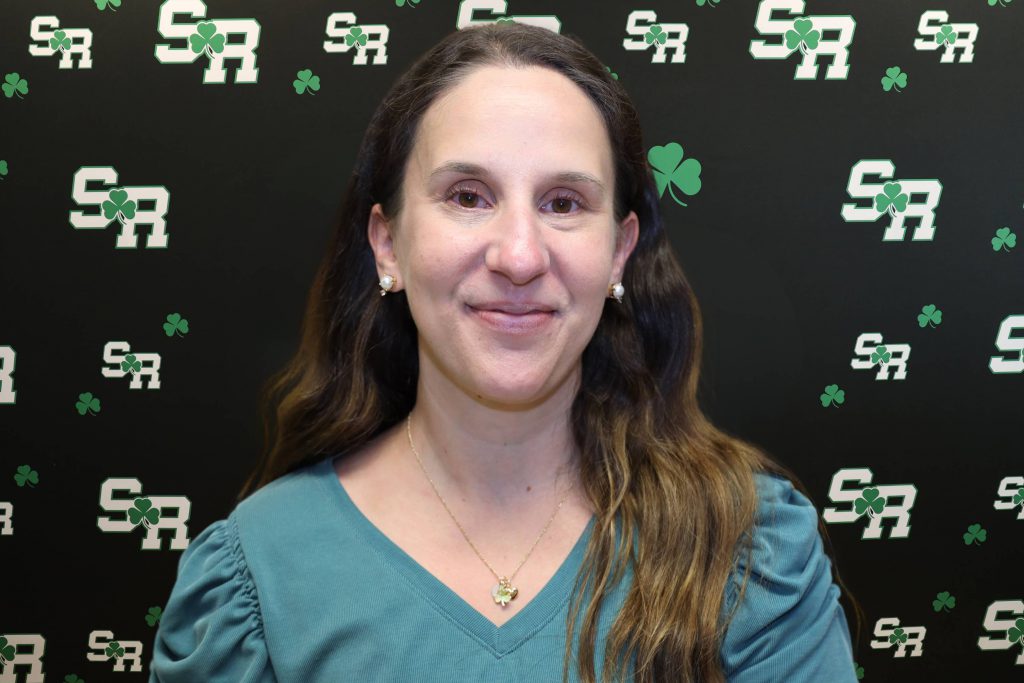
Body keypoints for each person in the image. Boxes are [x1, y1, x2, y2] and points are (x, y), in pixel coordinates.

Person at [149, 22, 862, 683]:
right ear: (387, 243)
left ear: (619, 251)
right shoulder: (259, 573)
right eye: (467, 195)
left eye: (562, 203)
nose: (519, 255)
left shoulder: (748, 547)